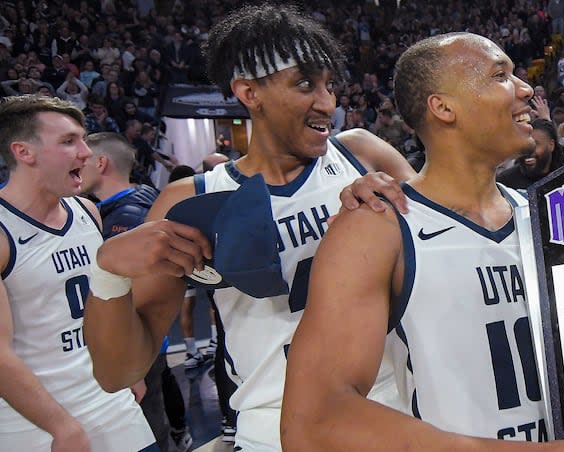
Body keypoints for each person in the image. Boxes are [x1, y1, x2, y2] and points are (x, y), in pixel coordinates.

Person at [281, 33, 564, 451]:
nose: (527, 89)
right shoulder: (378, 225)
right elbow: (313, 423)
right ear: (444, 107)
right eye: (500, 75)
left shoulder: (549, 216)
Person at [83, 4, 415, 450]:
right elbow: (118, 372)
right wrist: (108, 276)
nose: (327, 103)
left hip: (391, 409)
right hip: (273, 427)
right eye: (304, 84)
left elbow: (443, 266)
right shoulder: (190, 199)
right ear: (249, 92)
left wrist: (401, 216)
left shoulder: (363, 155)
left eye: (330, 85)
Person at [0, 95, 155, 451]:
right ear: (24, 152)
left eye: (83, 139)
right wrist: (61, 427)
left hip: (111, 400)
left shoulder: (87, 210)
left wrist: (128, 365)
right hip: (36, 424)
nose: (85, 152)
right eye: (69, 141)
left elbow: (106, 298)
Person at [80, 132, 192, 452]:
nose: (77, 162)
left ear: (101, 163)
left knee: (146, 425)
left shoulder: (127, 217)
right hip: (138, 341)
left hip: (134, 341)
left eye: (84, 157)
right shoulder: (142, 201)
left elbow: (139, 291)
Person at [496, 118, 564, 189]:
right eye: (524, 144)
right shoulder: (504, 183)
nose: (528, 151)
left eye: (535, 144)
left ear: (551, 145)